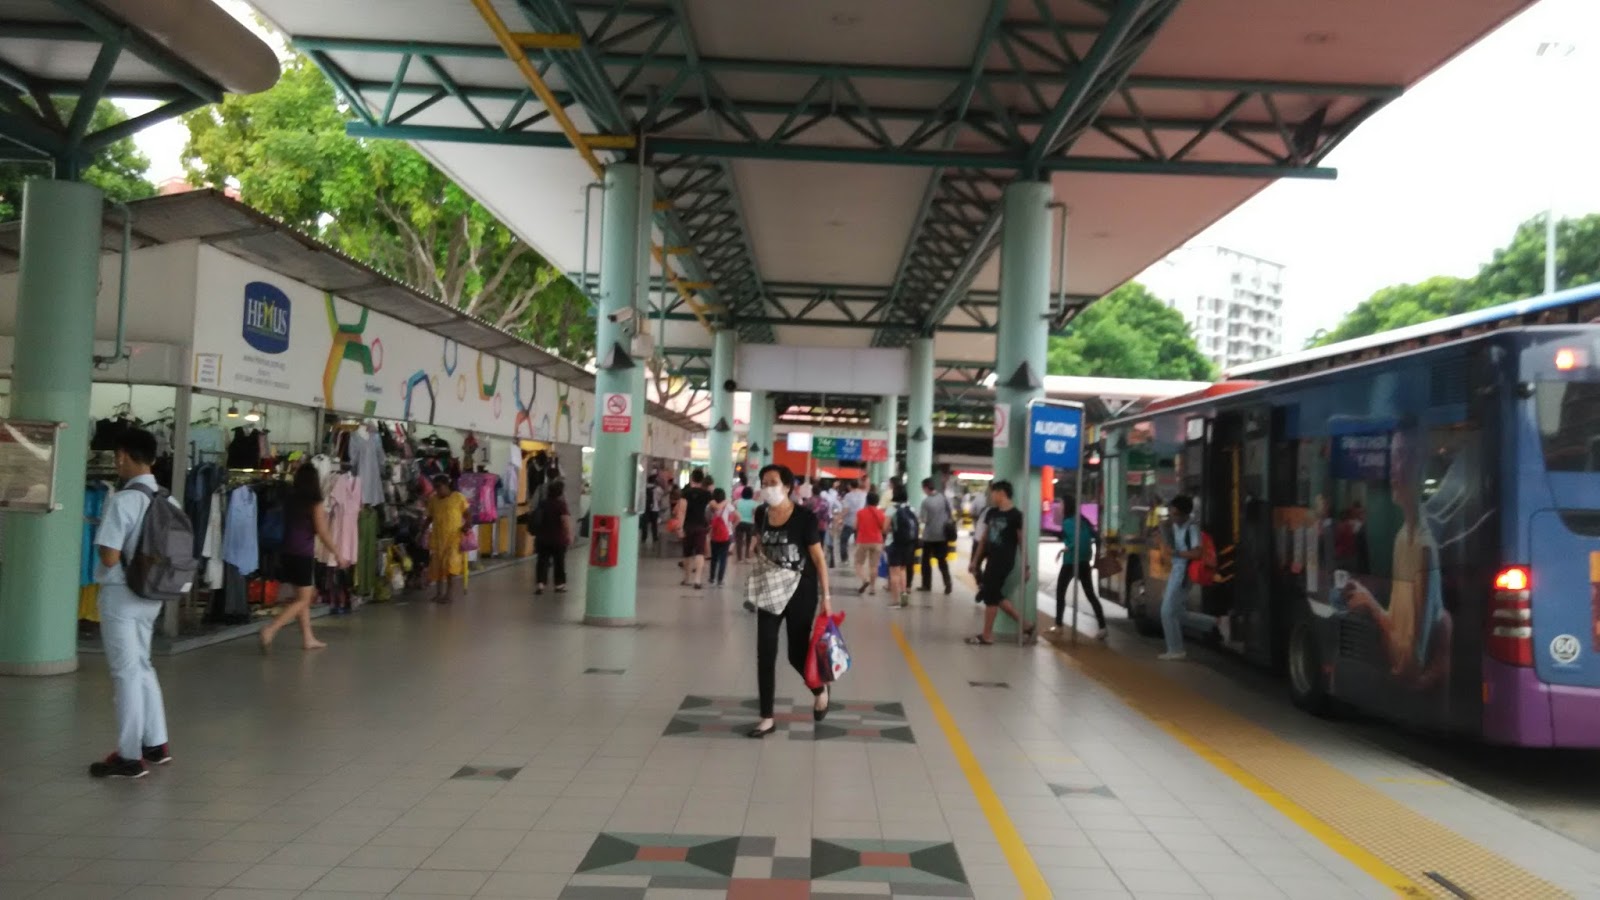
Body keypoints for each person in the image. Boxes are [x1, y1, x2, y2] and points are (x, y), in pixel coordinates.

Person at [89, 429, 182, 778]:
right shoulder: (168, 500)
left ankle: (129, 755)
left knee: (125, 673)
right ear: (154, 459)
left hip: (121, 596)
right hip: (153, 595)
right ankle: (156, 744)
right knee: (143, 667)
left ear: (122, 456)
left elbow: (110, 557)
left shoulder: (123, 500)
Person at [1342, 429, 1454, 689]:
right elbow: (1396, 624)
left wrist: (1369, 604)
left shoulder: (1425, 549)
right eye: (1392, 459)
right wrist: (1368, 602)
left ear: (1421, 467)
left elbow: (1410, 659)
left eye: (1403, 457)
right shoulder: (1402, 539)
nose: (1394, 470)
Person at [747, 464, 833, 738]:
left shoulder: (804, 518)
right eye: (764, 482)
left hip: (801, 591)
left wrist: (826, 597)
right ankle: (766, 717)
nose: (767, 487)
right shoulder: (761, 513)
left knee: (796, 653)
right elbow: (760, 542)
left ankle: (819, 689)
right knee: (765, 651)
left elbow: (819, 559)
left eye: (773, 482)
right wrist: (756, 547)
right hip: (770, 591)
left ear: (787, 487)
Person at [261, 462, 350, 653]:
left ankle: (308, 638)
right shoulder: (315, 503)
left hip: (287, 552)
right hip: (302, 554)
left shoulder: (290, 499)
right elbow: (323, 532)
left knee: (301, 597)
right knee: (304, 599)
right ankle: (271, 629)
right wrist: (337, 553)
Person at [966, 480, 1035, 646]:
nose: (991, 496)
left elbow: (1021, 542)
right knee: (994, 594)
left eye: (993, 493)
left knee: (990, 596)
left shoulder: (1016, 516)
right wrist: (975, 560)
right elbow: (984, 538)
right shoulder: (992, 513)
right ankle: (1026, 625)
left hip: (1004, 561)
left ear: (1002, 493)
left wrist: (1026, 566)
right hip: (992, 558)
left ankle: (987, 636)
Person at [1053, 498, 1106, 639]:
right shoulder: (1083, 520)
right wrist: (1096, 556)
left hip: (1071, 561)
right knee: (1090, 594)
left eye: (1062, 504)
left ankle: (1058, 625)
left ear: (1067, 506)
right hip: (1084, 562)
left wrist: (1065, 549)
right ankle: (1102, 626)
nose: (1060, 507)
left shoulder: (1068, 522)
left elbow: (1076, 541)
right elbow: (1096, 538)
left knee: (1060, 592)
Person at [1157, 495, 1202, 660]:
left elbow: (1198, 553)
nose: (1172, 517)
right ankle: (1216, 623)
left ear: (1185, 514)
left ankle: (1176, 649)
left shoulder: (1192, 528)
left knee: (1167, 611)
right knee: (1177, 612)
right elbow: (1165, 528)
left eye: (1175, 514)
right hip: (1176, 570)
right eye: (1171, 513)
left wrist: (1176, 553)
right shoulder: (1176, 525)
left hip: (1185, 572)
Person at [425, 475, 471, 604]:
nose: (437, 491)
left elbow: (468, 514)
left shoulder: (458, 498)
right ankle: (439, 593)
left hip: (454, 538)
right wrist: (421, 532)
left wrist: (467, 526)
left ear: (447, 485)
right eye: (435, 488)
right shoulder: (433, 500)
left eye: (439, 487)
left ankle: (449, 594)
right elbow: (429, 517)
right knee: (438, 567)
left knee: (451, 566)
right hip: (438, 538)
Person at [675, 468, 713, 588]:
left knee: (687, 553)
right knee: (700, 552)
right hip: (701, 526)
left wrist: (679, 528)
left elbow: (682, 511)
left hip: (688, 526)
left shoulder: (685, 493)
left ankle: (687, 579)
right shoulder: (707, 494)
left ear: (692, 478)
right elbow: (714, 508)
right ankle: (697, 580)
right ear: (702, 480)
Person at [533, 480, 573, 594]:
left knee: (542, 561)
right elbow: (565, 521)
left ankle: (540, 584)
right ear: (560, 493)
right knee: (559, 562)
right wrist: (569, 535)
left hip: (542, 538)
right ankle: (559, 585)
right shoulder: (561, 505)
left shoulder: (543, 503)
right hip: (558, 539)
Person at [918, 478, 954, 595]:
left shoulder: (926, 502)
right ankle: (948, 583)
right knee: (942, 561)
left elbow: (923, 519)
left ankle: (926, 585)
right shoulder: (943, 498)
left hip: (929, 536)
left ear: (925, 488)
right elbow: (949, 514)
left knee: (925, 562)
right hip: (942, 535)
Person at [886, 485, 918, 608]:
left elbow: (885, 527)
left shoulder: (892, 509)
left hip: (894, 543)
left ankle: (895, 601)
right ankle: (904, 595)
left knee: (894, 573)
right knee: (903, 569)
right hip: (908, 544)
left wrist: (890, 529)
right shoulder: (910, 508)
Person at [853, 491, 888, 595]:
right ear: (877, 502)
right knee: (874, 566)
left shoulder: (860, 512)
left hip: (863, 540)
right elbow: (884, 528)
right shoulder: (881, 513)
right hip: (877, 541)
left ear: (867, 500)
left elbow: (855, 526)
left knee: (858, 563)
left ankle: (865, 580)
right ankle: (872, 588)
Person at [707, 487, 738, 586]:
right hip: (726, 535)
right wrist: (732, 526)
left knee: (714, 558)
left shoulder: (710, 507)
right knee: (723, 559)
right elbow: (738, 517)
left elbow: (707, 519)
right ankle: (720, 580)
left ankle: (712, 578)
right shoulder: (729, 506)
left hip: (714, 534)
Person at [840, 479, 867, 566]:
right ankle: (860, 560)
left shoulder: (848, 496)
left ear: (849, 486)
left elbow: (846, 509)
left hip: (849, 522)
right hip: (861, 522)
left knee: (843, 540)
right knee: (859, 542)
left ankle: (845, 559)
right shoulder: (864, 494)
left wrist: (839, 518)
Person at [733, 485, 759, 562]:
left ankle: (739, 558)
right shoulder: (755, 504)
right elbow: (755, 514)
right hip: (750, 523)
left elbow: (734, 512)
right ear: (751, 494)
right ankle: (747, 557)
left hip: (739, 523)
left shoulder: (737, 502)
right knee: (748, 541)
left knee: (739, 541)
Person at [641, 470, 661, 547]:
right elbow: (660, 498)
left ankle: (644, 537)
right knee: (654, 524)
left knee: (644, 524)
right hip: (654, 508)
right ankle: (655, 537)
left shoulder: (643, 487)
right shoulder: (658, 489)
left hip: (645, 508)